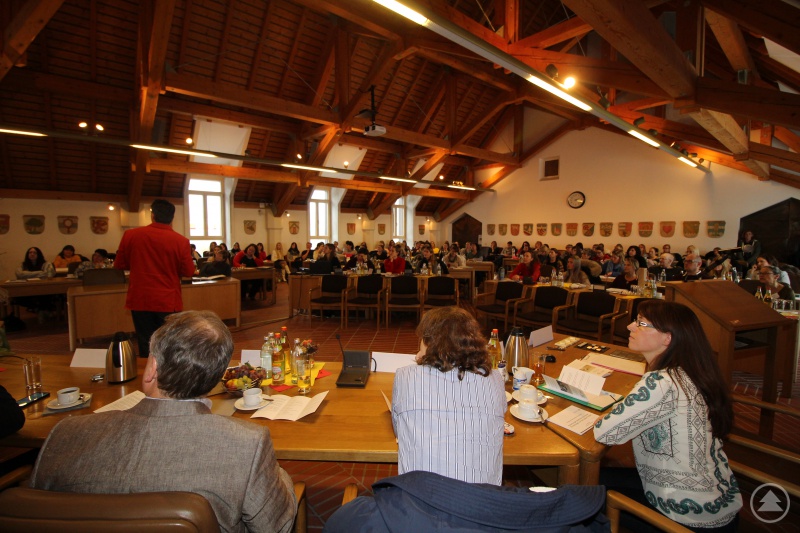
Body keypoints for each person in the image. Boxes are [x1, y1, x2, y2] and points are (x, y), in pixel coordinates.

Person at [29, 310, 297, 533]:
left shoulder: (65, 433)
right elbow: (276, 526)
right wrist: (274, 475)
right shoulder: (247, 445)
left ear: (152, 368)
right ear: (217, 375)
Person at [594, 301, 741, 531]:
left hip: (685, 517)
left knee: (582, 487)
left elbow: (604, 431)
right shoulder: (692, 371)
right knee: (599, 478)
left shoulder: (662, 382)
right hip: (718, 504)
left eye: (642, 323)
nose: (631, 326)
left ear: (667, 339)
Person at [392, 307, 506, 485]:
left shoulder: (405, 376)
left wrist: (421, 361)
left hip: (419, 505)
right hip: (482, 506)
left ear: (429, 341)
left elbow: (398, 430)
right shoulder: (495, 379)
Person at [114, 199, 196, 358]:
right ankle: (168, 376)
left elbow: (120, 264)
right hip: (167, 299)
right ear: (172, 218)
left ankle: (147, 376)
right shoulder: (181, 241)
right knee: (169, 341)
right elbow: (188, 271)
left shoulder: (131, 235)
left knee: (145, 340)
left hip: (140, 298)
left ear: (153, 215)